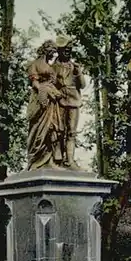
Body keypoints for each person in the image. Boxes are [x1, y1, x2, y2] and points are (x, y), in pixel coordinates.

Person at [26, 40, 64, 170]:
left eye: (54, 51)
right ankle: (35, 160)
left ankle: (50, 160)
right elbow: (34, 83)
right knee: (38, 128)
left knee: (51, 128)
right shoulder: (34, 64)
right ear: (45, 50)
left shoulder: (51, 67)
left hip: (51, 101)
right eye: (52, 51)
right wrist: (43, 89)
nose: (54, 54)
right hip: (39, 99)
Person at [53, 35, 86, 170]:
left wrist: (78, 73)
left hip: (73, 101)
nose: (67, 51)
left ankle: (70, 161)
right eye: (65, 49)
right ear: (59, 50)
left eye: (69, 49)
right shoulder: (53, 67)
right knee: (59, 131)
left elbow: (82, 85)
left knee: (71, 132)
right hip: (59, 101)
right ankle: (58, 160)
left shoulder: (75, 66)